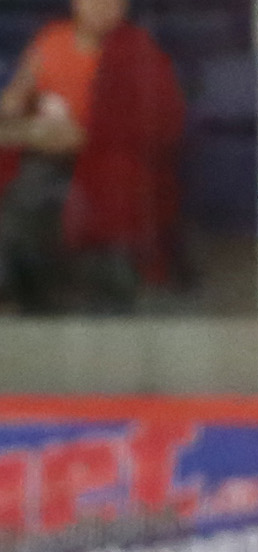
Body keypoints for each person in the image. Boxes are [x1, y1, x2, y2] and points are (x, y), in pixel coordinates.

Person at [0, 0, 179, 315]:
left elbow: (147, 122)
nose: (102, 8)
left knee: (104, 200)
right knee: (23, 198)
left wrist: (85, 138)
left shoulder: (137, 50)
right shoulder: (51, 39)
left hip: (108, 159)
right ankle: (22, 294)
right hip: (45, 152)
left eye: (113, 3)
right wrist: (18, 113)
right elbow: (17, 96)